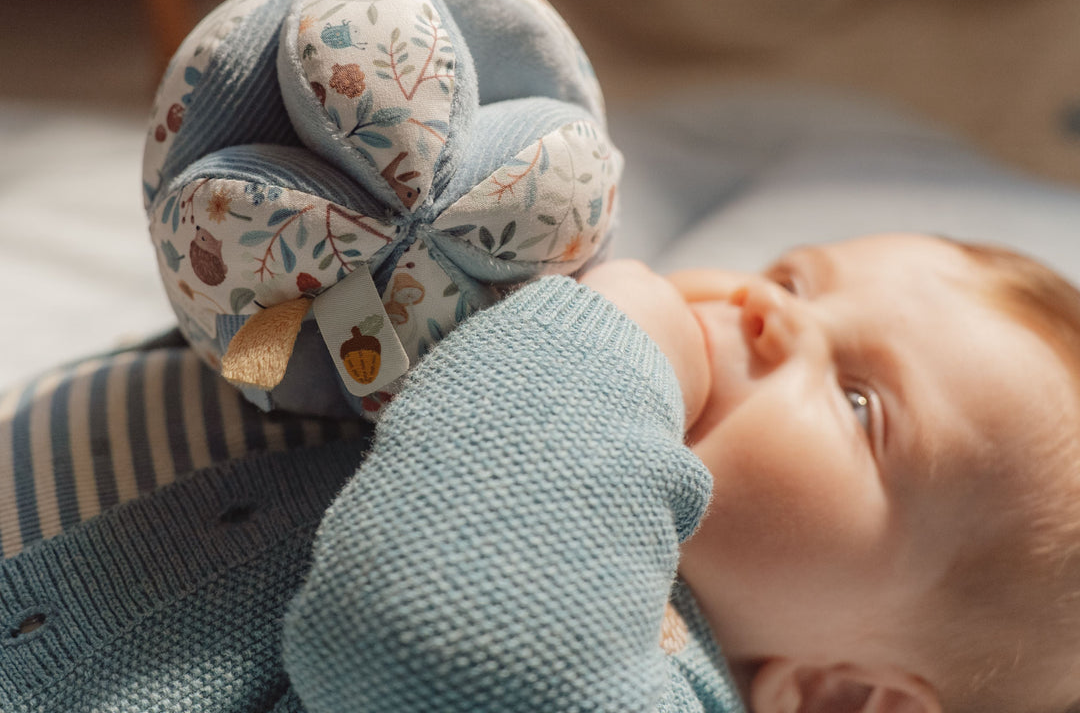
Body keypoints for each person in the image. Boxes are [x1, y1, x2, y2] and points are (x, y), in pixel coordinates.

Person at [0, 233, 1078, 712]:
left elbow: (438, 650)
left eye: (857, 401)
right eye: (795, 275)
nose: (767, 307)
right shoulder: (521, 413)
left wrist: (596, 350)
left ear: (842, 698)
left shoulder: (653, 686)